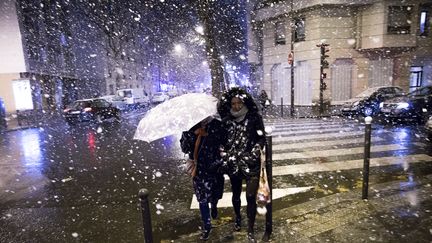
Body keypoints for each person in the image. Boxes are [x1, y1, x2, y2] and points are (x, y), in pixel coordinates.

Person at [217, 87, 266, 242]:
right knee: (236, 194)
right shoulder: (226, 121)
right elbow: (221, 141)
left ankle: (250, 228)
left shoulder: (253, 118)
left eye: (239, 102)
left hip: (251, 164)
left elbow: (261, 138)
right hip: (234, 164)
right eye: (233, 103)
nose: (236, 106)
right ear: (230, 105)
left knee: (250, 196)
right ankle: (238, 217)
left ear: (244, 102)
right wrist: (224, 152)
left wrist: (255, 152)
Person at [180, 116, 225, 241]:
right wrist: (193, 135)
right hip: (199, 170)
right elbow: (185, 148)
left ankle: (214, 206)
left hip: (215, 167)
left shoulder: (216, 124)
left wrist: (207, 135)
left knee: (215, 193)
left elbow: (222, 141)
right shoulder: (189, 127)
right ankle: (207, 225)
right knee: (202, 199)